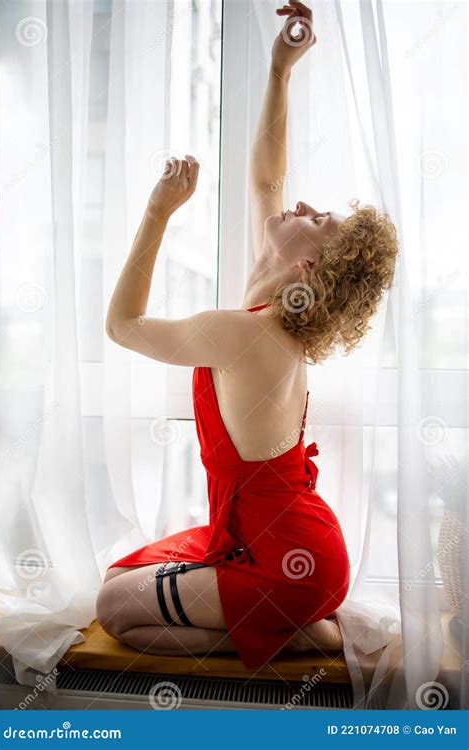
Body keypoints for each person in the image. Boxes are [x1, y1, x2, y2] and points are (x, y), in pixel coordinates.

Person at [96, 0, 398, 669]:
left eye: (318, 221)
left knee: (114, 611)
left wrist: (157, 212)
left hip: (288, 563)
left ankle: (293, 631)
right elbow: (266, 175)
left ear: (306, 265)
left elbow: (122, 326)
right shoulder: (271, 315)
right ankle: (292, 624)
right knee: (121, 578)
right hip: (292, 548)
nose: (305, 206)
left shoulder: (247, 334)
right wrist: (279, 69)